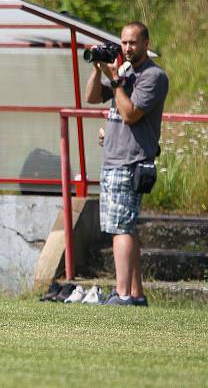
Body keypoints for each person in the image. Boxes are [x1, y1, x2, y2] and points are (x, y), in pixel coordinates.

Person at [85, 21, 168, 307]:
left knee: (120, 228)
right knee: (124, 227)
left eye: (132, 43)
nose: (127, 48)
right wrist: (99, 70)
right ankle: (135, 293)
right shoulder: (124, 71)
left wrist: (117, 81)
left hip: (131, 160)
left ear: (146, 43)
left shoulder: (153, 76)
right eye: (123, 42)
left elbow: (131, 114)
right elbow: (92, 97)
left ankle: (121, 295)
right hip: (113, 158)